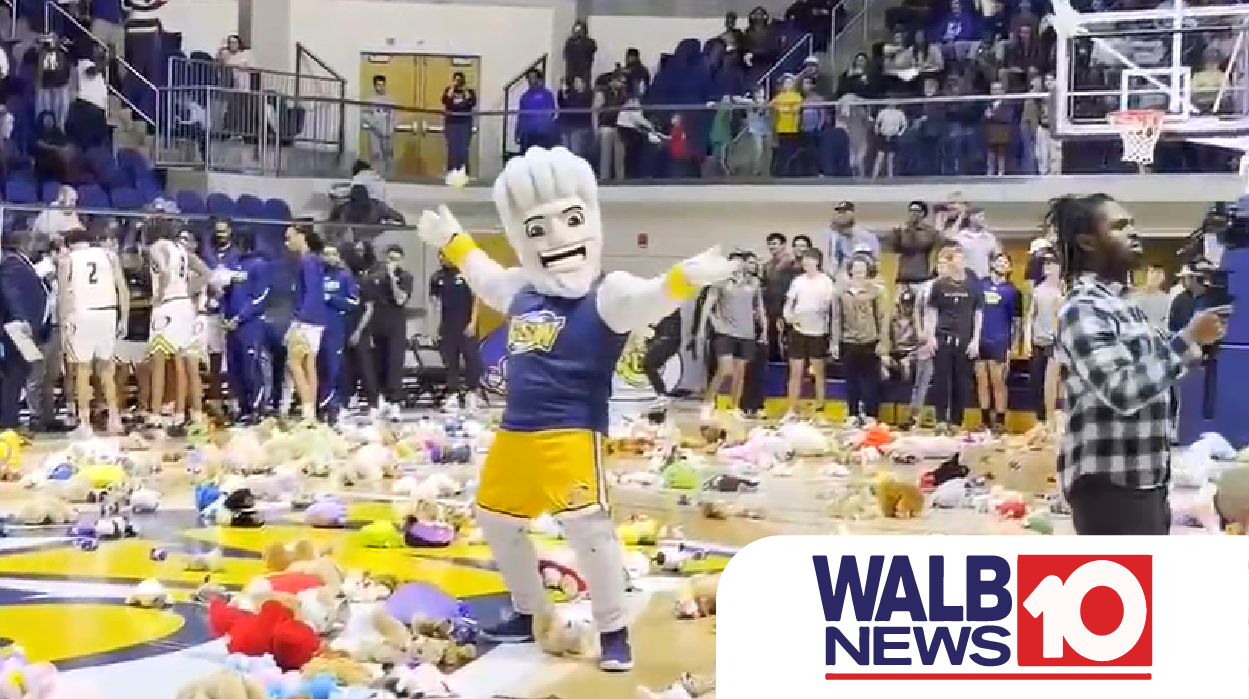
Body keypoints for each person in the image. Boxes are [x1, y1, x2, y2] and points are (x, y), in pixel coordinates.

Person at [413, 147, 733, 669]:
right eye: (537, 230)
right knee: (494, 518)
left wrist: (687, 278)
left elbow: (651, 297)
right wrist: (452, 240)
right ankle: (528, 609)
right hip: (515, 433)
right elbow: (481, 272)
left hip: (572, 435)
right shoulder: (520, 289)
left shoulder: (609, 293)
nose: (558, 239)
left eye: (573, 220)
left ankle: (613, 633)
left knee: (589, 532)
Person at [1051, 193, 1226, 535]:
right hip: (1110, 484)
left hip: (1145, 478)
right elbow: (1122, 391)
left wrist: (1200, 343)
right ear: (1087, 241)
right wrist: (1188, 338)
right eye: (1119, 226)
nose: (1133, 232)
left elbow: (1156, 369)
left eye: (1132, 224)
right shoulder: (1083, 307)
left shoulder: (1125, 306)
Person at [59, 227, 129, 436]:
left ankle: (85, 423)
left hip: (82, 312)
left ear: (70, 243)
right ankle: (115, 419)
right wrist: (124, 317)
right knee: (107, 369)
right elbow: (122, 288)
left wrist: (65, 323)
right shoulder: (109, 255)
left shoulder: (68, 260)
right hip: (108, 312)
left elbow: (64, 295)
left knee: (82, 369)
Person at [146, 219, 204, 433]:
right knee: (181, 359)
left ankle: (155, 414)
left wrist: (159, 295)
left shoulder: (156, 247)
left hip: (167, 306)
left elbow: (163, 272)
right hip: (184, 305)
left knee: (159, 359)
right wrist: (187, 291)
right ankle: (179, 413)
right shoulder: (180, 249)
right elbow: (205, 273)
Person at [694, 251, 766, 420]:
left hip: (746, 332)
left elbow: (759, 307)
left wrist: (763, 328)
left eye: (739, 263)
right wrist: (701, 329)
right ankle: (708, 403)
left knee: (740, 372)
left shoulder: (754, 283)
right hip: (725, 331)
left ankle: (734, 407)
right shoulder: (720, 283)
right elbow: (707, 306)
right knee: (724, 369)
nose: (736, 266)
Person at [923, 243, 982, 434]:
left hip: (964, 339)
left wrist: (975, 340)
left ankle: (956, 421)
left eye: (958, 257)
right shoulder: (939, 285)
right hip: (943, 337)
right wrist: (930, 336)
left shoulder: (973, 285)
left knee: (962, 382)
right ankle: (940, 420)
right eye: (952, 258)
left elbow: (978, 313)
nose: (955, 261)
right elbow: (932, 310)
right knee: (941, 380)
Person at [0, 230, 50, 431]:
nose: (34, 245)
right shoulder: (12, 263)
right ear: (21, 244)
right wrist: (21, 318)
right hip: (15, 328)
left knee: (17, 374)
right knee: (15, 374)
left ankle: (9, 420)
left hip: (22, 327)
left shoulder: (20, 262)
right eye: (30, 241)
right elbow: (10, 291)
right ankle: (8, 422)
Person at [831, 254, 888, 424]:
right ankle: (853, 413)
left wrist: (883, 341)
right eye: (855, 269)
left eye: (862, 270)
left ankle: (871, 414)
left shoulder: (876, 291)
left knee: (871, 380)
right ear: (850, 271)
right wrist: (834, 341)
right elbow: (836, 318)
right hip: (848, 341)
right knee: (851, 380)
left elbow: (882, 317)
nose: (859, 273)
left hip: (870, 340)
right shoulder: (840, 292)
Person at [221, 229, 270, 425]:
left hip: (250, 326)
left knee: (251, 367)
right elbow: (225, 293)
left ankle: (257, 408)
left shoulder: (260, 266)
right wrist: (224, 316)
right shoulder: (232, 266)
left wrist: (240, 318)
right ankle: (243, 409)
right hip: (231, 326)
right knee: (235, 369)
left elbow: (261, 298)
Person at [782, 248, 836, 419]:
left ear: (817, 261)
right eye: (804, 260)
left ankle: (820, 407)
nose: (805, 263)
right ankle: (791, 409)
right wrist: (789, 317)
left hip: (818, 332)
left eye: (809, 260)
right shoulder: (798, 281)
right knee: (795, 372)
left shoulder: (826, 282)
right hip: (798, 330)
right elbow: (789, 304)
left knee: (818, 372)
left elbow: (830, 307)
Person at [364, 244, 415, 418]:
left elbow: (401, 299)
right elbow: (369, 302)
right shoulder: (375, 276)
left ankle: (395, 401)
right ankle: (381, 399)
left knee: (395, 363)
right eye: (390, 258)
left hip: (396, 326)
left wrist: (393, 278)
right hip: (378, 324)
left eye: (396, 259)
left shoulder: (405, 277)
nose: (391, 262)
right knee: (379, 362)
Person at [974, 252, 1022, 432]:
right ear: (992, 263)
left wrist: (1014, 346)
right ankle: (985, 420)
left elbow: (1017, 322)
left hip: (1000, 340)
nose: (1002, 264)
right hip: (980, 339)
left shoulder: (1013, 291)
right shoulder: (980, 285)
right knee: (981, 380)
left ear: (1009, 268)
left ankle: (1000, 420)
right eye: (999, 261)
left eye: (1005, 262)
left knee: (998, 381)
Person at [286, 225, 328, 424]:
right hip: (317, 319)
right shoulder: (314, 261)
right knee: (308, 364)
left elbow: (311, 292)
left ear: (302, 237)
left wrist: (301, 318)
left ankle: (307, 408)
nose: (287, 243)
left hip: (307, 319)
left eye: (290, 238)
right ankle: (310, 412)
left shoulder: (307, 261)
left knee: (295, 364)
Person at [429, 253, 482, 411]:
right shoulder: (436, 277)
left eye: (446, 255)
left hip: (466, 325)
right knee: (450, 362)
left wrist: (473, 322)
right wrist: (434, 326)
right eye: (440, 256)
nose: (443, 258)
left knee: (473, 360)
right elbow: (435, 303)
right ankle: (452, 394)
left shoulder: (466, 273)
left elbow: (477, 299)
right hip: (447, 326)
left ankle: (472, 393)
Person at [317, 245, 359, 423]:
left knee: (332, 368)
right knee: (317, 369)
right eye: (326, 254)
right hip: (316, 328)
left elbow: (353, 302)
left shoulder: (345, 277)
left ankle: (333, 407)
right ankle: (319, 407)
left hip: (335, 330)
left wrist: (332, 299)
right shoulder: (315, 275)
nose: (329, 257)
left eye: (333, 254)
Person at [114, 242, 153, 422]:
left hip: (143, 331)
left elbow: (152, 300)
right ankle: (119, 409)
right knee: (120, 374)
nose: (125, 260)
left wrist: (130, 304)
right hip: (123, 332)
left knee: (143, 373)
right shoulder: (118, 277)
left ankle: (143, 408)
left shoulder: (147, 275)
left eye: (128, 256)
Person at [1023, 255, 1062, 428]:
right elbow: (1030, 316)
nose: (1047, 266)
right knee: (1036, 382)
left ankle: (1052, 420)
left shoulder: (1064, 289)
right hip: (1038, 340)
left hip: (1056, 343)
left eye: (1051, 264)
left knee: (1053, 383)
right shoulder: (1038, 290)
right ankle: (1040, 421)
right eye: (1045, 263)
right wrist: (1026, 339)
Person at [643, 309, 681, 399]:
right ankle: (661, 392)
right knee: (650, 364)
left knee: (649, 364)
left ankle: (661, 393)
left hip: (667, 339)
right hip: (669, 338)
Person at [1133, 264, 1171, 332]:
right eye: (1152, 272)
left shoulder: (1167, 299)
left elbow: (1166, 322)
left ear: (1163, 277)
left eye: (1159, 272)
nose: (1155, 275)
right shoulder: (1135, 297)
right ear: (1146, 275)